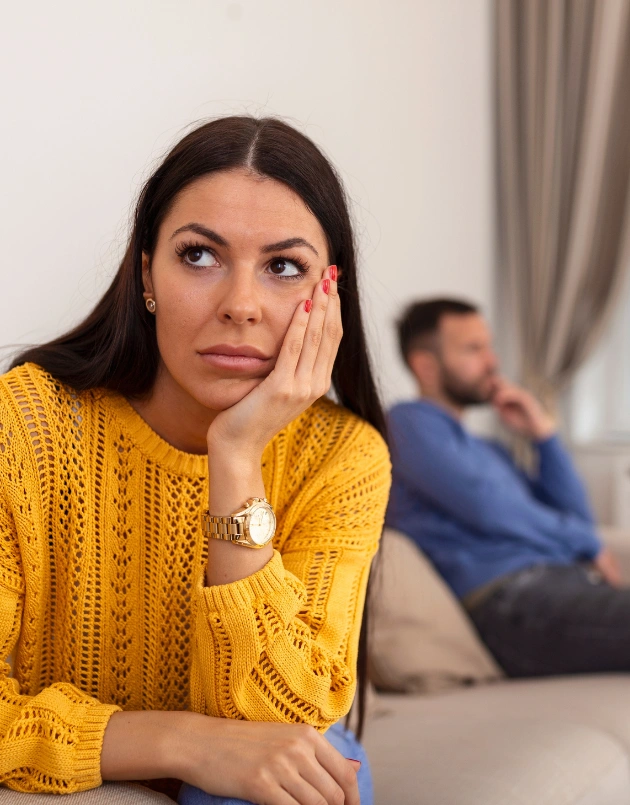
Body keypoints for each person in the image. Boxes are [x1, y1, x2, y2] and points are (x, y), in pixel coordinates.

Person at [0, 116, 391, 805]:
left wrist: (236, 456)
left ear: (327, 293)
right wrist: (181, 740)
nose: (241, 305)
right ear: (147, 271)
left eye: (283, 267)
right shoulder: (25, 423)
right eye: (200, 256)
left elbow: (285, 725)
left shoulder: (344, 455)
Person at [386, 297, 630, 679]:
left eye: (489, 346)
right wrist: (588, 542)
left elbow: (577, 518)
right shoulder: (406, 427)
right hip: (511, 604)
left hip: (559, 587)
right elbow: (488, 507)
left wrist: (544, 435)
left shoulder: (489, 450)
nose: (493, 361)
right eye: (474, 349)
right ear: (425, 366)